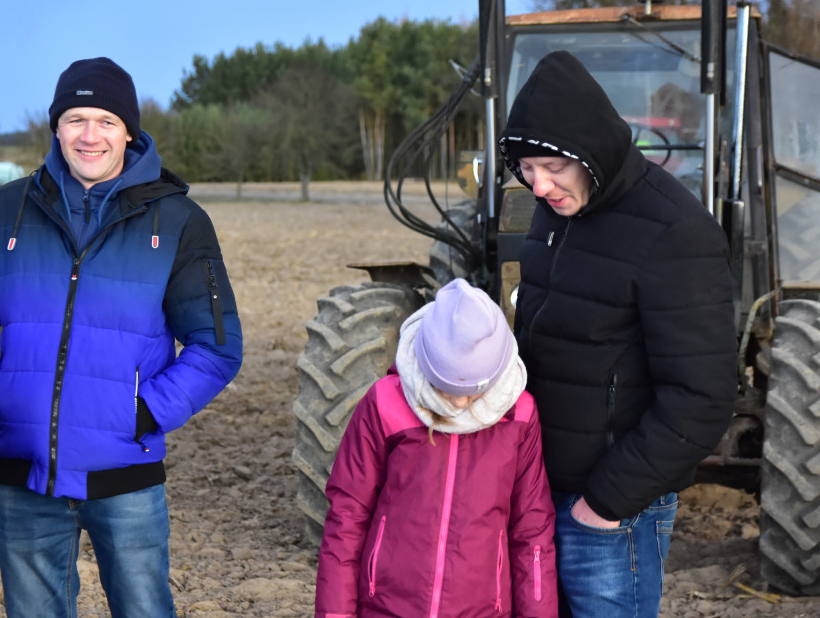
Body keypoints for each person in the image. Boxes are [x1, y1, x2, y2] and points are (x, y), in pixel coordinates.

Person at [0, 56, 243, 618]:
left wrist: (141, 413)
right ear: (55, 127)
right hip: (24, 475)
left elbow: (216, 347)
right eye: (76, 118)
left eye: (106, 120)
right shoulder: (4, 212)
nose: (90, 135)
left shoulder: (177, 222)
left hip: (125, 476)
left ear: (129, 129)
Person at [498, 50, 738, 617]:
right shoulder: (556, 212)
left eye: (551, 167)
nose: (539, 186)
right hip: (537, 493)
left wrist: (605, 503)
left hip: (609, 515)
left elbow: (703, 398)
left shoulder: (675, 231)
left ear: (590, 152)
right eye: (527, 169)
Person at [315, 278, 557, 618]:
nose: (458, 402)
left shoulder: (519, 415)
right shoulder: (385, 403)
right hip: (387, 608)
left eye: (472, 392)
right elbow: (347, 516)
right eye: (444, 389)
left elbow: (531, 531)